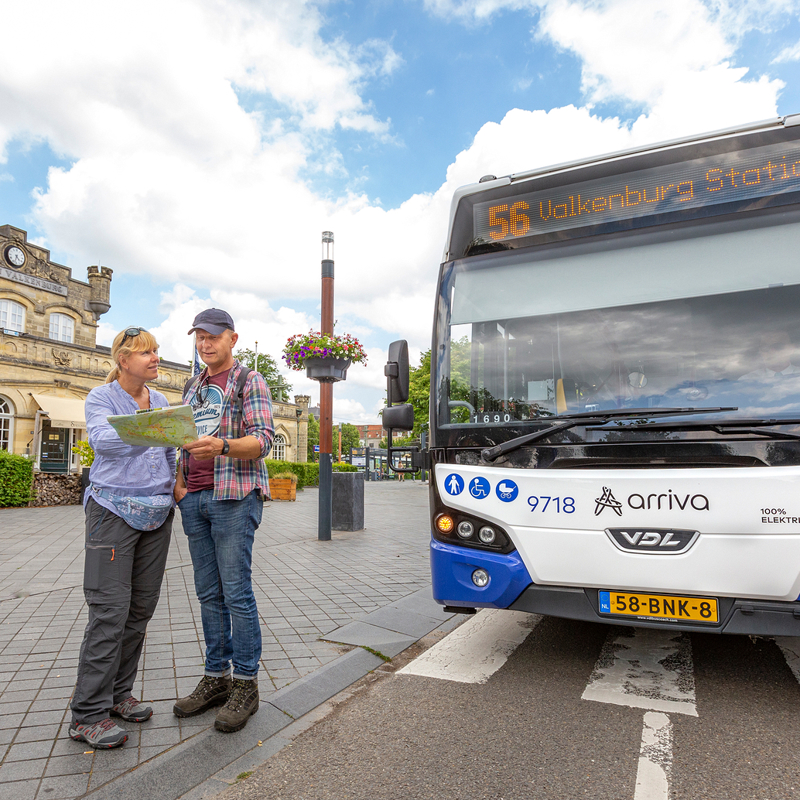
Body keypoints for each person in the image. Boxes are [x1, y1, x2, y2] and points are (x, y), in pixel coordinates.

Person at [69, 327, 176, 749]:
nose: (155, 359)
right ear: (123, 359)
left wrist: (176, 483)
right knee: (109, 613)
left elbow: (171, 450)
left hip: (157, 513)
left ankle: (117, 696)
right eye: (146, 352)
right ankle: (87, 715)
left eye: (156, 352)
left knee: (139, 612)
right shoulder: (101, 398)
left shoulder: (162, 401)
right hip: (111, 512)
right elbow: (102, 441)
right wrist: (156, 429)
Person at [173, 308, 273, 733]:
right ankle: (217, 677)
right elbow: (179, 438)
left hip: (233, 496)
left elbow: (264, 441)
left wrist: (224, 446)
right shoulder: (192, 384)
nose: (204, 343)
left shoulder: (250, 381)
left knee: (236, 592)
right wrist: (179, 486)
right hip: (194, 498)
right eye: (199, 336)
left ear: (233, 339)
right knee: (208, 593)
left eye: (213, 335)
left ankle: (246, 683)